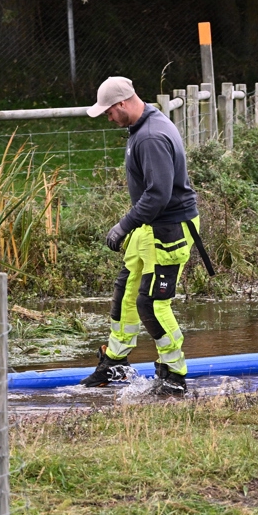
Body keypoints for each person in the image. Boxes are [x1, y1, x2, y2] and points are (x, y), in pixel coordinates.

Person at [80, 76, 210, 396]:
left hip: (169, 228)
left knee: (151, 304)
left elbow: (158, 195)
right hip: (150, 226)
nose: (108, 118)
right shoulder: (140, 127)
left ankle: (173, 375)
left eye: (109, 112)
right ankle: (114, 363)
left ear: (123, 104)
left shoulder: (151, 136)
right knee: (126, 290)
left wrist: (123, 225)